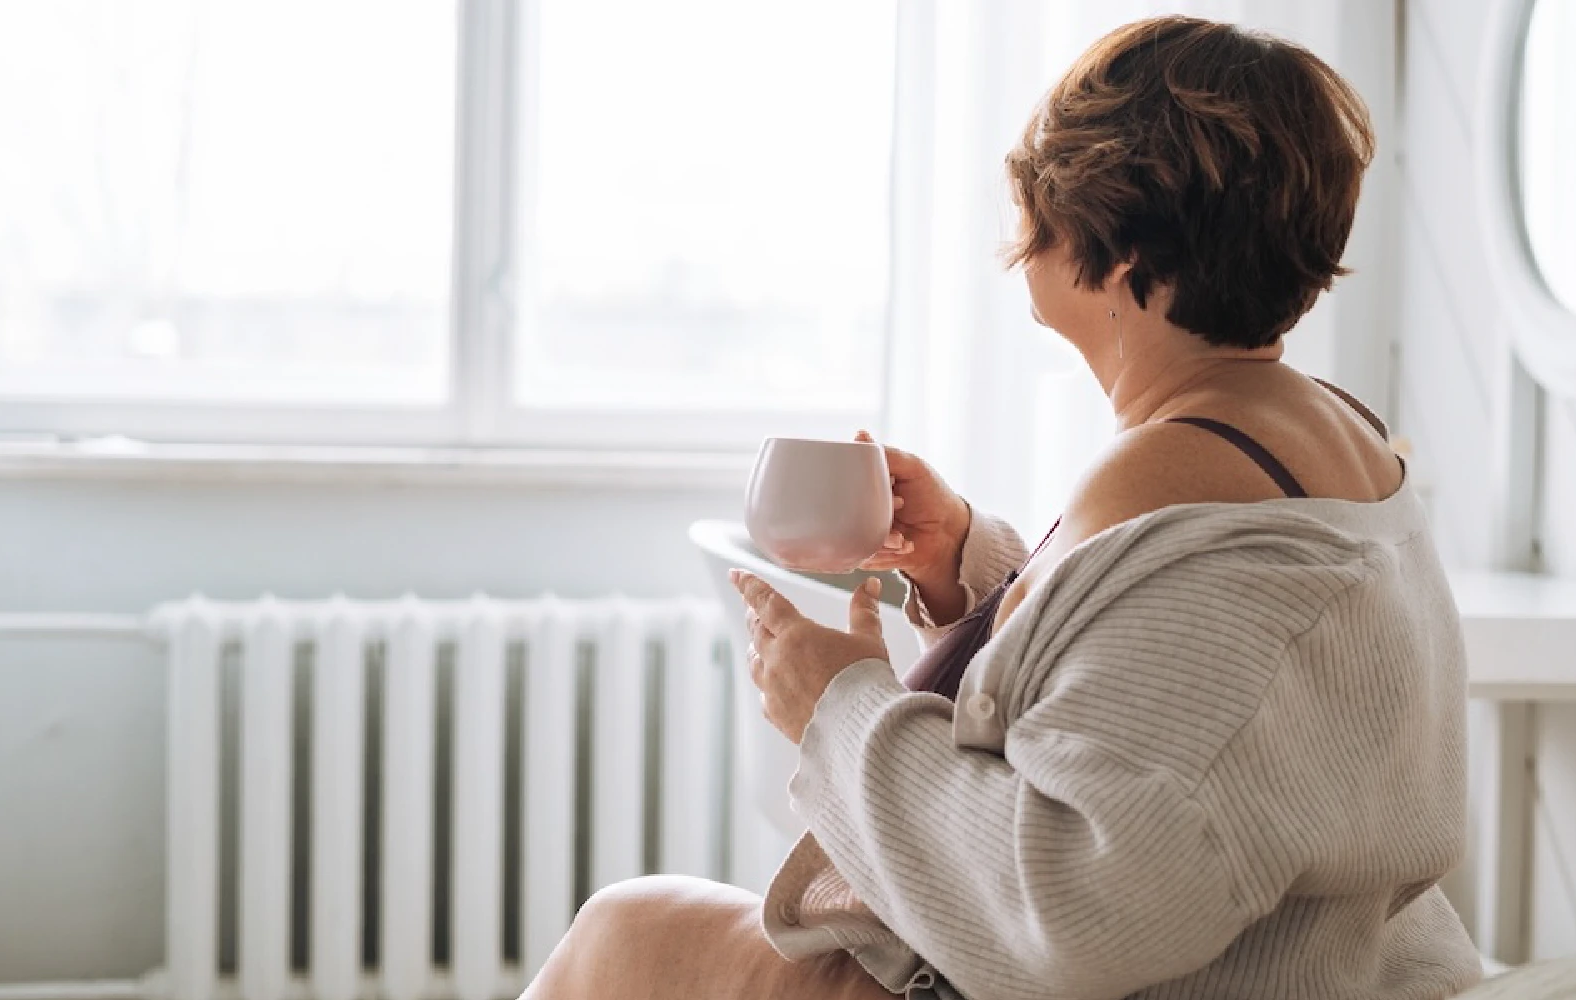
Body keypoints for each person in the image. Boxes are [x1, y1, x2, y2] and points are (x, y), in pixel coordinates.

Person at [521, 15, 1480, 1000]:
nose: (1019, 235)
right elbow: (1156, 704)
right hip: (1321, 958)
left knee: (623, 931)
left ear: (1121, 255)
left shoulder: (1166, 484)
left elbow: (1075, 907)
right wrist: (972, 568)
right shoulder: (1326, 437)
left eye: (1040, 208)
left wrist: (837, 709)